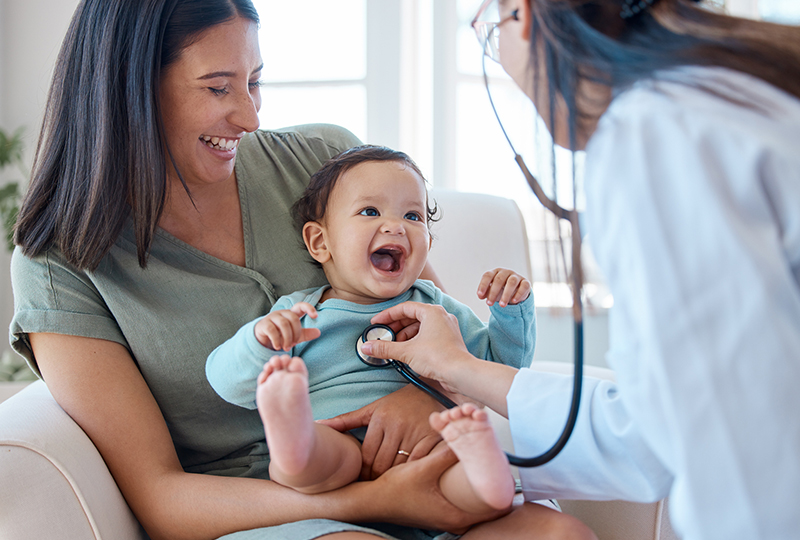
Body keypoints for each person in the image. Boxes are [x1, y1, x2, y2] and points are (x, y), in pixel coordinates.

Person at [8, 1, 598, 539]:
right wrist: (369, 501)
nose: (249, 116)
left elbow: (430, 329)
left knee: (560, 535)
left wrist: (420, 401)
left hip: (418, 468)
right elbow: (162, 499)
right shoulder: (59, 264)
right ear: (130, 91)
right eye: (218, 88)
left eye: (255, 81)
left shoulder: (324, 162)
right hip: (272, 511)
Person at [346, 1, 800, 539]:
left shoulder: (658, 135)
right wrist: (460, 372)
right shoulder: (735, 92)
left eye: (492, 30)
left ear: (527, 15)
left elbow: (722, 451)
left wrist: (462, 371)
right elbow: (666, 424)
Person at [206, 145, 533, 514]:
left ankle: (485, 469)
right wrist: (260, 342)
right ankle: (293, 434)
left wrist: (509, 312)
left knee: (468, 487)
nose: (396, 225)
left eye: (413, 215)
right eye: (370, 211)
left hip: (429, 447)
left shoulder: (435, 308)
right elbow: (227, 383)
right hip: (337, 440)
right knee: (310, 462)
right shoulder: (301, 314)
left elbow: (497, 369)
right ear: (320, 242)